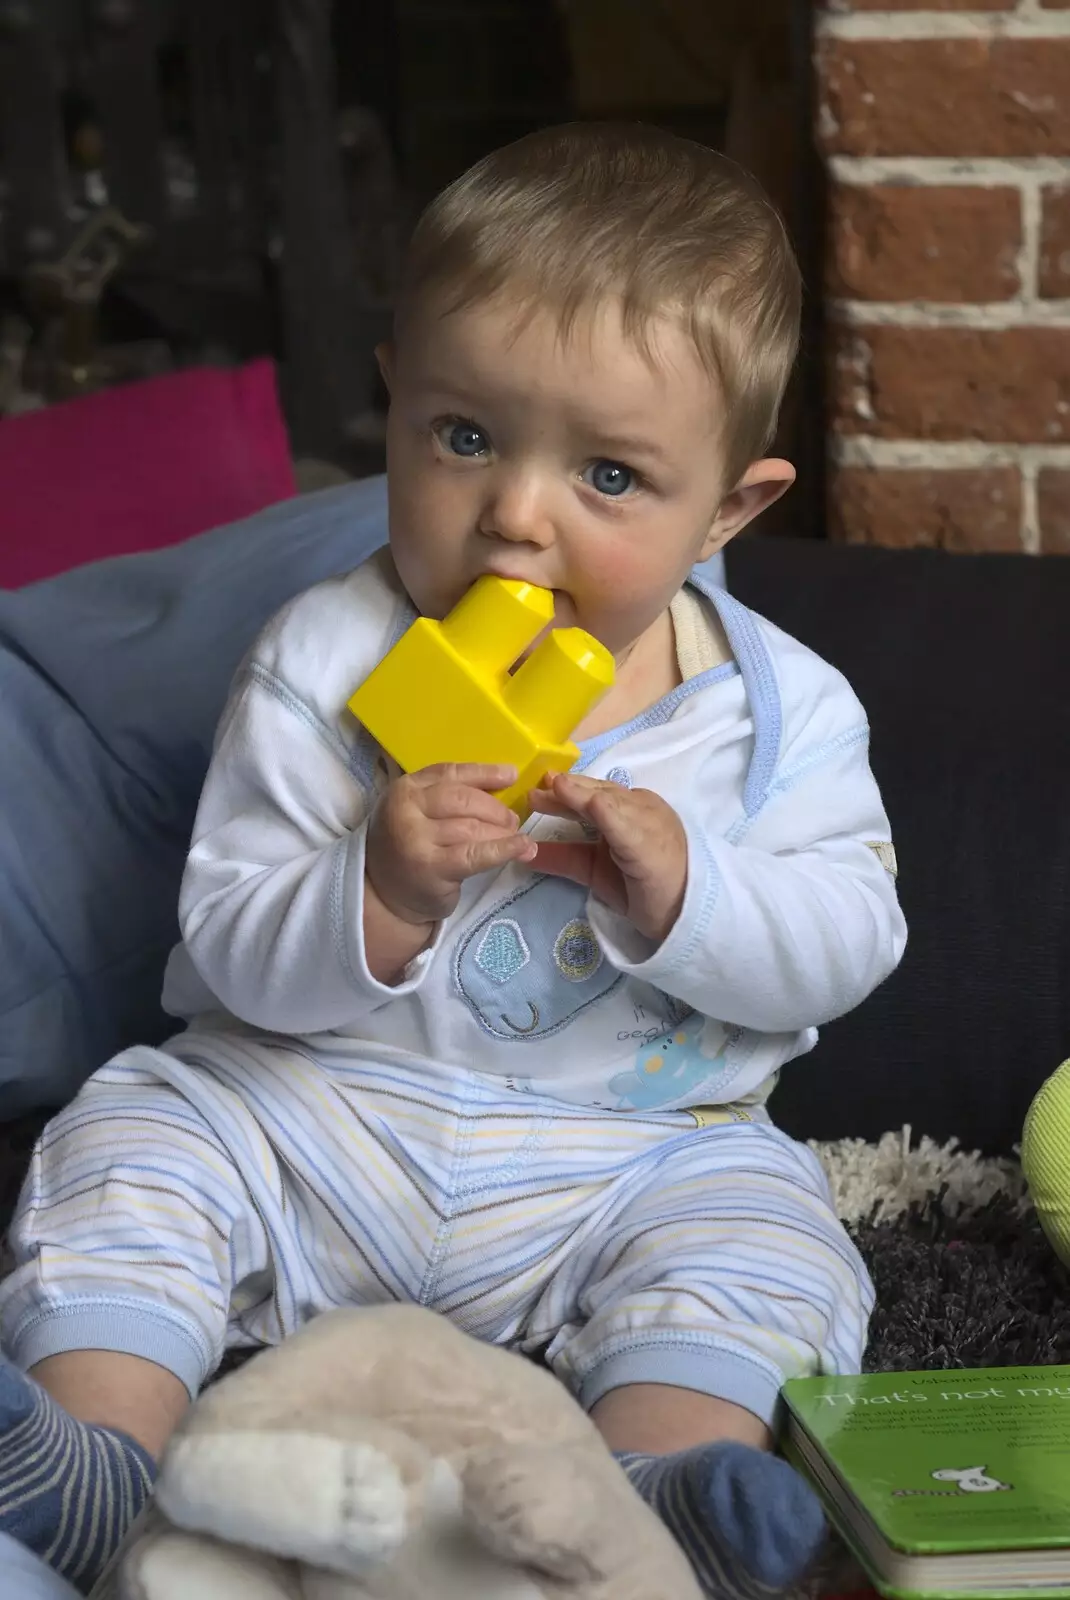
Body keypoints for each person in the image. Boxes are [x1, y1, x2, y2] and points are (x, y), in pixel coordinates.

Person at [0, 122, 906, 1596]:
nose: (515, 516)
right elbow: (225, 937)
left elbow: (852, 938)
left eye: (608, 475)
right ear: (393, 407)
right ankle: (95, 1463)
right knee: (141, 1133)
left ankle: (647, 1503)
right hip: (318, 1108)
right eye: (465, 437)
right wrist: (379, 883)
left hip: (623, 1158)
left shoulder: (777, 712)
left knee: (762, 1227)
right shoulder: (322, 652)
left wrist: (692, 891)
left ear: (726, 509)